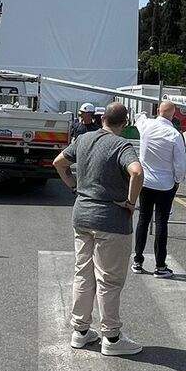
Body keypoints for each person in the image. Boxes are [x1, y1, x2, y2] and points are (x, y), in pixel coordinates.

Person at [53, 100, 145, 356]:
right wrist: (130, 203)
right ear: (125, 123)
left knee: (83, 274)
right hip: (111, 220)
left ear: (102, 118)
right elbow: (137, 173)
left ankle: (80, 331)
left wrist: (74, 186)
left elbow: (58, 162)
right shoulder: (121, 145)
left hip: (82, 215)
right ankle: (112, 337)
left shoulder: (83, 139)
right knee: (109, 280)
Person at [132, 100, 186, 278]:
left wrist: (143, 114)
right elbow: (180, 164)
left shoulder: (146, 125)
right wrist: (177, 180)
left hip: (146, 181)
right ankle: (160, 265)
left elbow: (139, 117)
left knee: (143, 219)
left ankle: (138, 260)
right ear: (174, 114)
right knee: (162, 222)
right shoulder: (174, 134)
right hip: (165, 184)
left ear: (158, 110)